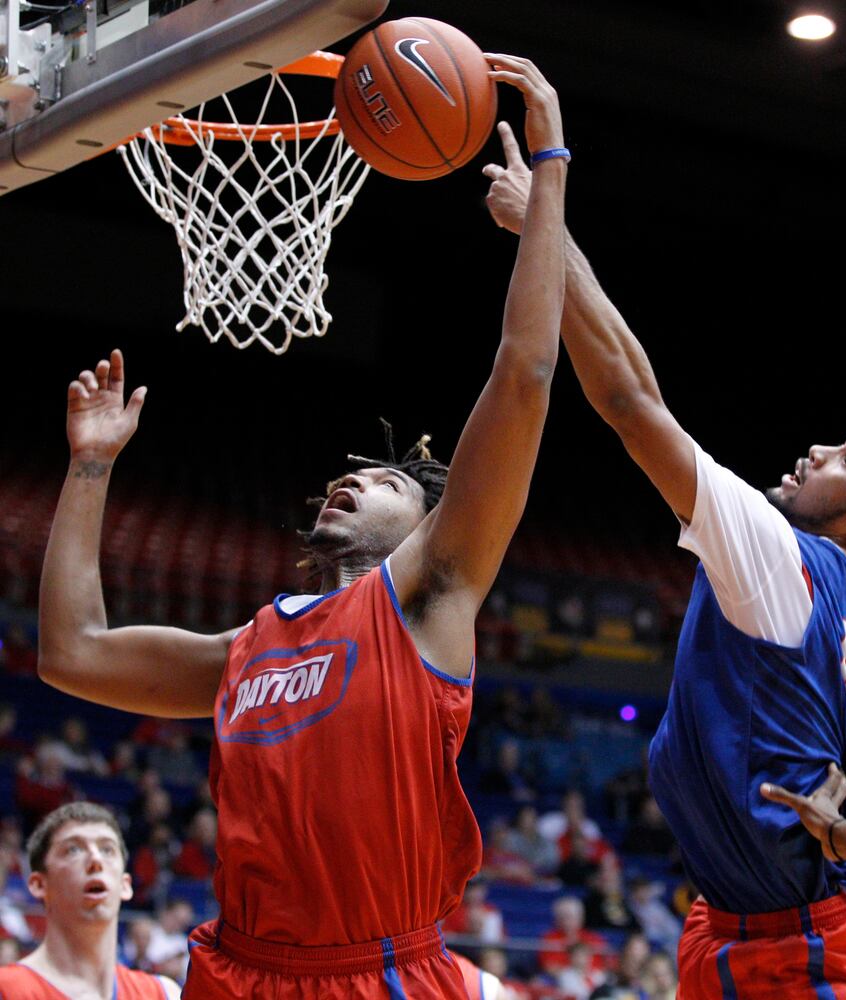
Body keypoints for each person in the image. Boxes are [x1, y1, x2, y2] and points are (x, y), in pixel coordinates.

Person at [38, 56, 567, 1000]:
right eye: (346, 474)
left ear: (428, 524)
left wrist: (550, 176)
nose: (348, 480)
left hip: (377, 974)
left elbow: (523, 374)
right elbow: (73, 653)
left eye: (380, 482)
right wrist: (89, 466)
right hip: (237, 972)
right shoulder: (248, 648)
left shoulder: (432, 589)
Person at [483, 123, 846, 997]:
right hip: (734, 931)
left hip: (803, 950)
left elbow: (627, 396)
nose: (817, 450)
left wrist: (546, 212)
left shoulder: (785, 556)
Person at [0, 802, 180, 999]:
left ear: (125, 885)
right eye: (73, 849)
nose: (96, 859)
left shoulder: (164, 994)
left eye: (107, 849)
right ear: (39, 884)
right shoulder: (7, 989)